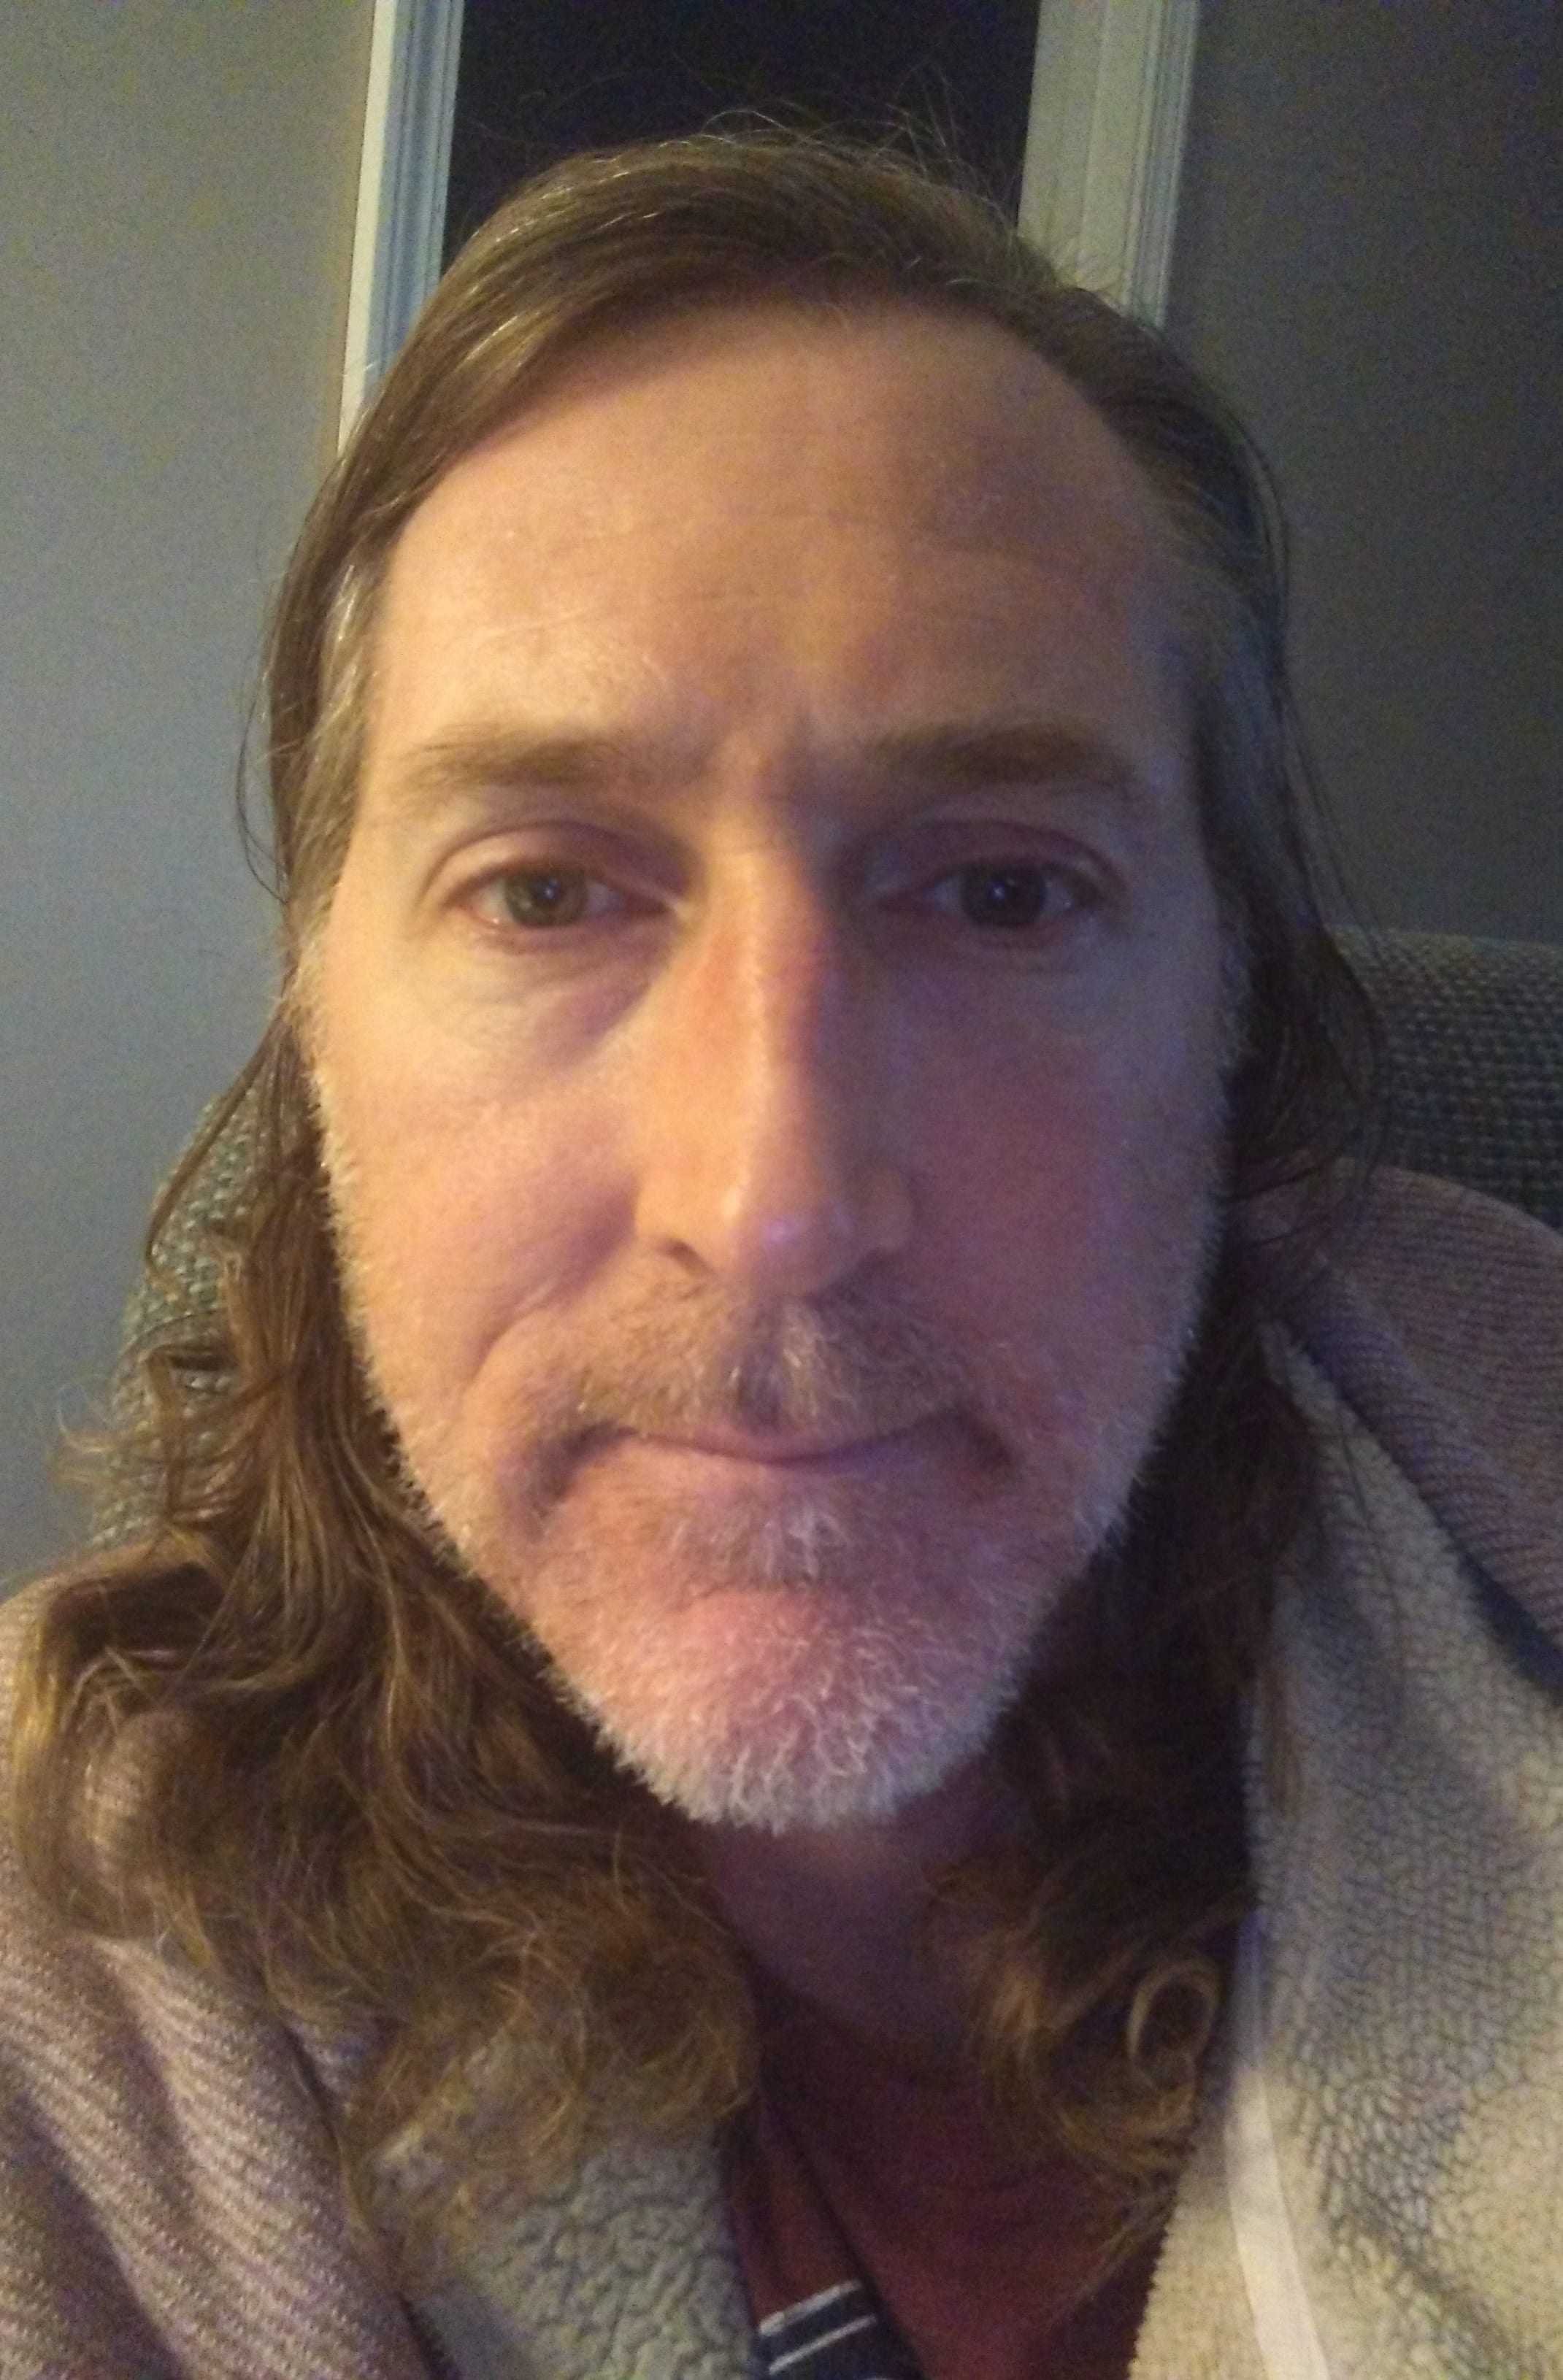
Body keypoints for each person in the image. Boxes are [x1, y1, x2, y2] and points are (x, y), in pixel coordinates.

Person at [2, 132, 1560, 2380]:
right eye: (548, 891)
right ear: (315, 1020)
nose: (777, 1204)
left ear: (1232, 1004)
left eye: (1002, 891)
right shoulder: (73, 1984)